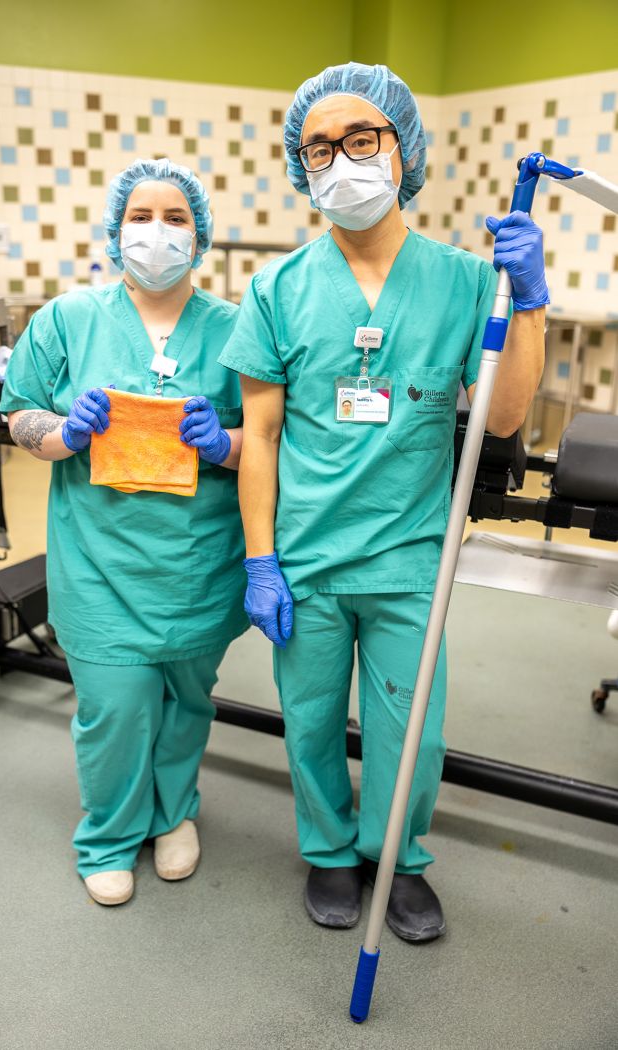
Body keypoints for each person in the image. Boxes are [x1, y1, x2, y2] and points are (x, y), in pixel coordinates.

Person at [218, 63, 546, 940]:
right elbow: (261, 438)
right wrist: (260, 560)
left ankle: (398, 855)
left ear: (403, 149)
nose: (341, 161)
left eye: (361, 139)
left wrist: (530, 305)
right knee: (312, 721)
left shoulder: (467, 281)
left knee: (413, 734)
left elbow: (504, 416)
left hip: (410, 558)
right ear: (302, 167)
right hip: (308, 558)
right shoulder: (278, 290)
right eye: (319, 148)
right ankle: (329, 850)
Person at [0, 158, 247, 906]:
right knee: (115, 706)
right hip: (100, 563)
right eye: (141, 216)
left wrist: (223, 444)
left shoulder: (235, 329)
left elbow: (270, 441)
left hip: (199, 562)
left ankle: (174, 815)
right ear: (115, 232)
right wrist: (64, 433)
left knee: (187, 701)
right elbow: (19, 414)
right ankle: (108, 836)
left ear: (200, 236)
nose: (157, 232)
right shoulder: (68, 320)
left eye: (175, 218)